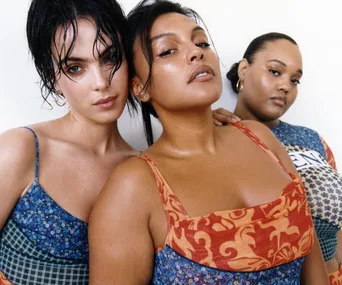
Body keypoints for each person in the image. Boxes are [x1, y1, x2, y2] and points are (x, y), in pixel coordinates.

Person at [88, 1, 328, 284]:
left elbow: (314, 271)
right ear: (140, 87)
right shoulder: (133, 186)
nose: (195, 53)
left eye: (200, 42)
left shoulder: (260, 137)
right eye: (168, 51)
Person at [0, 0, 139, 284]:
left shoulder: (145, 170)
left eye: (110, 57)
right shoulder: (21, 150)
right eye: (76, 68)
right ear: (53, 79)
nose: (100, 82)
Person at [214, 32, 342, 284]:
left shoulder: (313, 140)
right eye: (275, 71)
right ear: (243, 70)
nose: (286, 85)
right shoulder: (217, 137)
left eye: (295, 80)